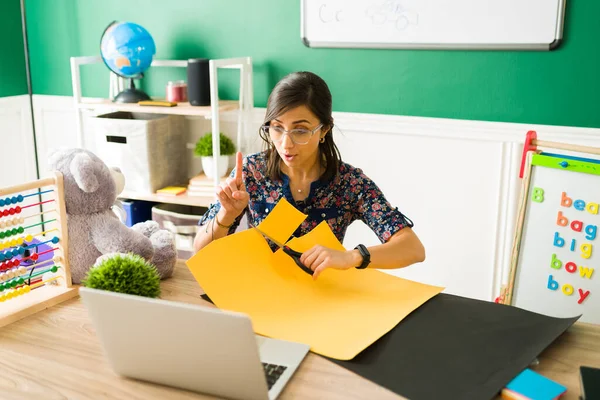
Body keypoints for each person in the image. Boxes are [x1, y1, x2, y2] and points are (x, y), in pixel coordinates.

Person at [193, 71, 425, 279]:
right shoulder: (251, 172)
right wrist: (226, 215)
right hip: (262, 294)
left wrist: (352, 257)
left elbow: (413, 249)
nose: (285, 144)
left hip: (321, 299)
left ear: (324, 130)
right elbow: (199, 251)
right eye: (276, 127)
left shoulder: (350, 183)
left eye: (301, 130)